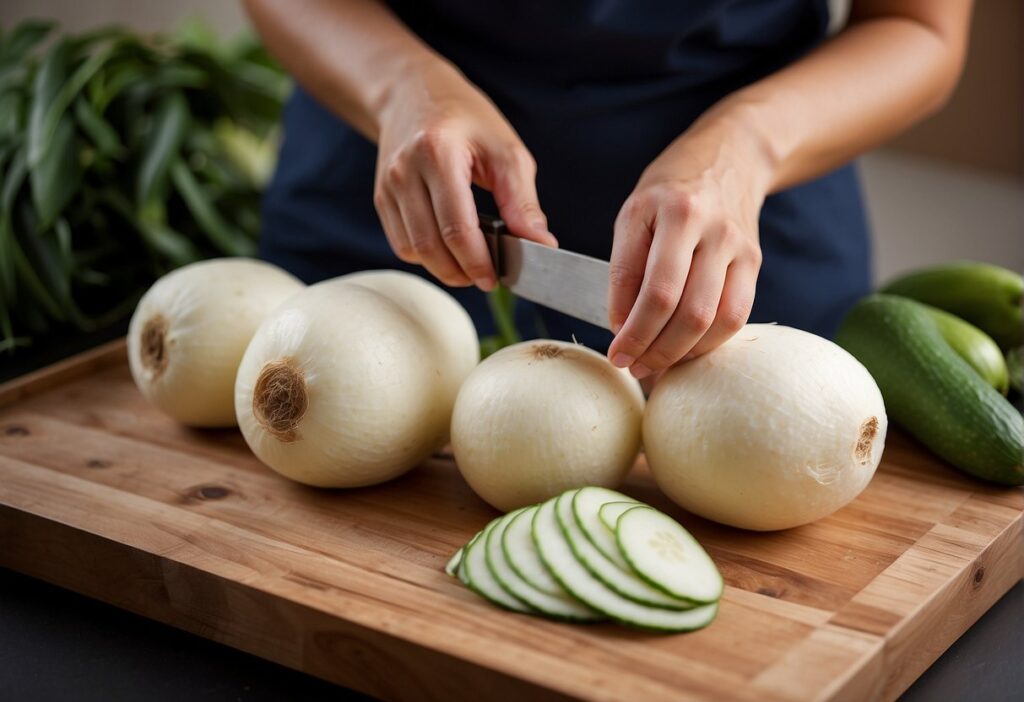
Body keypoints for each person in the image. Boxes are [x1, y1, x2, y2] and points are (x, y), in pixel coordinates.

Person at [244, 0, 971, 380]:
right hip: (391, 190)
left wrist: (745, 147)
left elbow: (919, 26)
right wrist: (401, 87)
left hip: (750, 229)